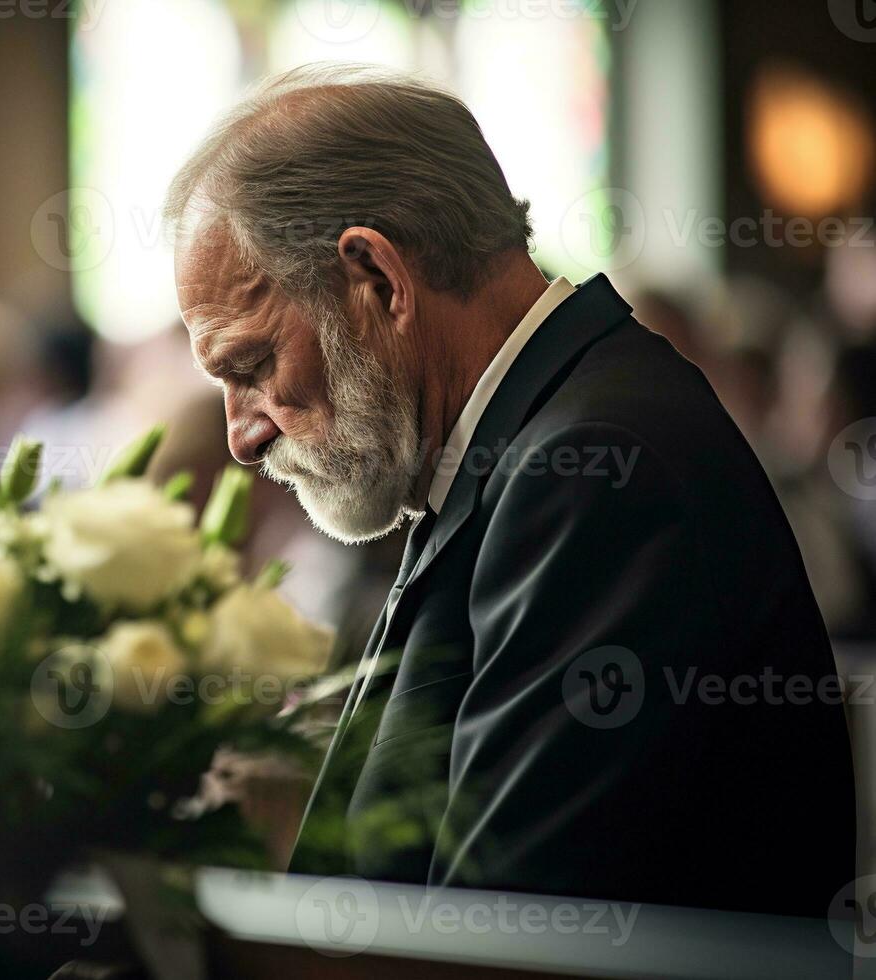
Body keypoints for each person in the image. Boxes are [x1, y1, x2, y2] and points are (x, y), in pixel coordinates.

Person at [164, 66, 853, 916]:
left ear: (377, 280)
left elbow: (501, 933)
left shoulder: (595, 469)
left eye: (254, 365)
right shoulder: (522, 436)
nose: (241, 434)